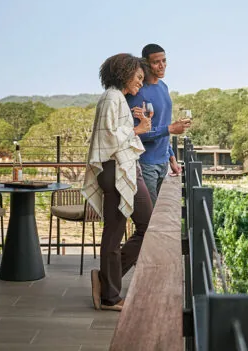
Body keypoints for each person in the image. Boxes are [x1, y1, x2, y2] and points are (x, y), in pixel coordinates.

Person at [82, 53, 152, 311]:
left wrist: (137, 127)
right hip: (117, 169)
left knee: (122, 229)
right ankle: (109, 292)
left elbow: (112, 135)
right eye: (138, 77)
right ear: (125, 72)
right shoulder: (112, 97)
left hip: (121, 168)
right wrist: (137, 129)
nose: (141, 83)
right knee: (135, 228)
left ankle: (108, 285)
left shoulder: (116, 98)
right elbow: (109, 138)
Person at [127, 43, 190, 205]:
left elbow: (163, 124)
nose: (162, 65)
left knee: (162, 212)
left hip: (163, 163)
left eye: (164, 60)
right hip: (145, 163)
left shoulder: (163, 87)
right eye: (156, 62)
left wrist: (172, 158)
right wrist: (170, 129)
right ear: (146, 64)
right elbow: (137, 134)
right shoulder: (137, 93)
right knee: (151, 218)